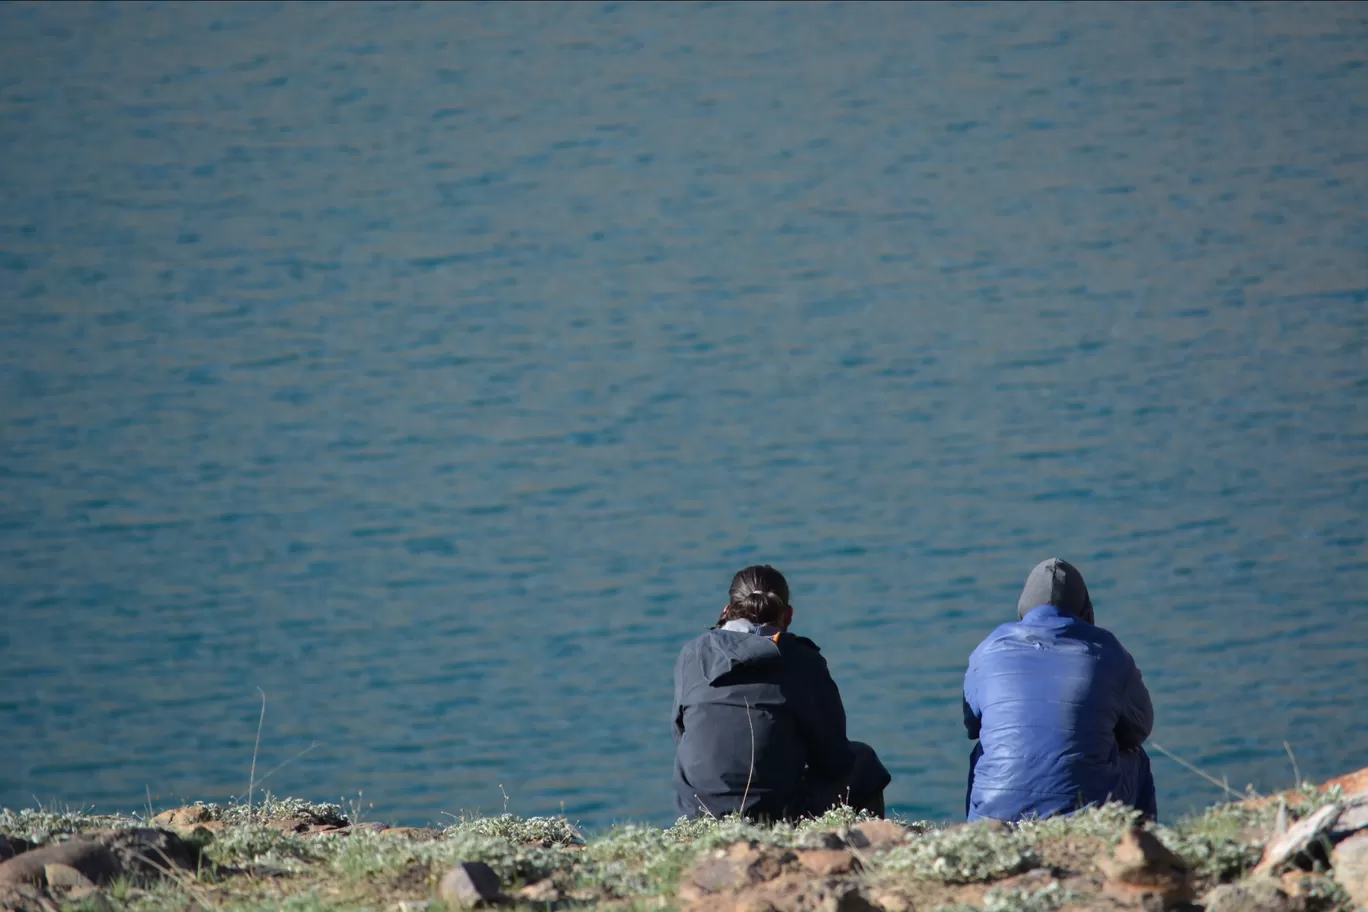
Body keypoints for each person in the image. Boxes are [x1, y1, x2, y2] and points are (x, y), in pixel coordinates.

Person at [672, 564, 891, 820]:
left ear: (726, 611)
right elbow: (834, 760)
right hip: (774, 814)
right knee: (864, 763)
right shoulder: (803, 660)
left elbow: (681, 733)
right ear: (788, 616)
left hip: (700, 811)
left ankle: (691, 838)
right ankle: (866, 852)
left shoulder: (693, 653)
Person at [963, 558, 1157, 822]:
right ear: (1085, 608)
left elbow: (973, 726)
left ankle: (980, 829)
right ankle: (1141, 850)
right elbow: (1139, 730)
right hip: (1084, 816)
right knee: (1136, 757)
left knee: (983, 750)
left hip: (996, 817)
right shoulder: (1107, 650)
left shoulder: (987, 650)